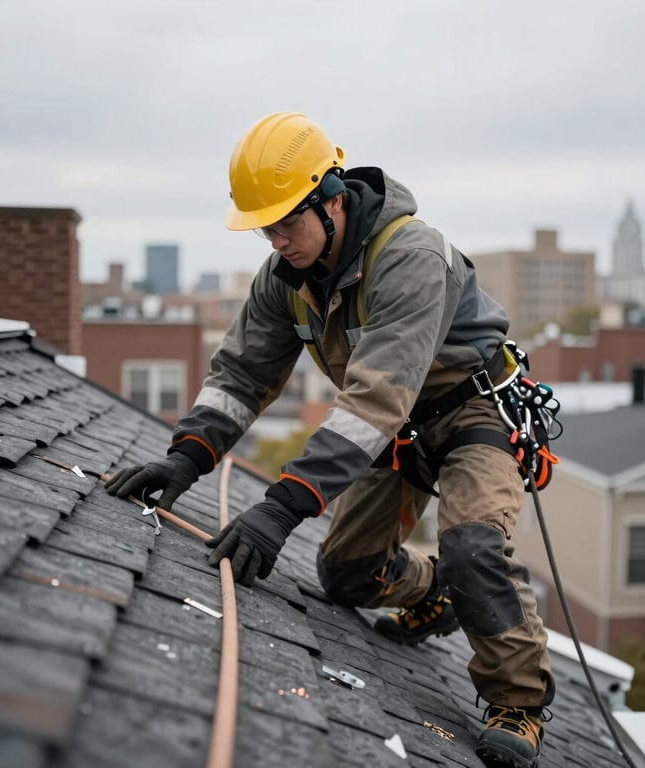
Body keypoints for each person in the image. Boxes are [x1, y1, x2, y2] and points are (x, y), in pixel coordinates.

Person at [105, 111, 554, 768]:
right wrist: (186, 458)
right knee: (344, 573)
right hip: (396, 427)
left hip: (471, 416)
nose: (277, 238)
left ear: (334, 199)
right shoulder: (285, 280)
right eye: (265, 225)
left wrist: (281, 509)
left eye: (289, 220)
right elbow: (241, 373)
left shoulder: (410, 257)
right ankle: (432, 590)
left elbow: (374, 396)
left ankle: (518, 701)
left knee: (473, 546)